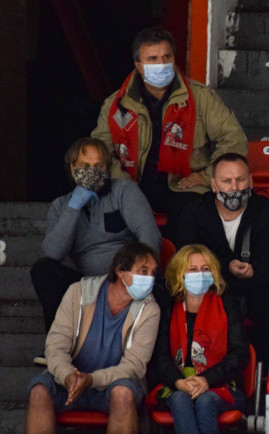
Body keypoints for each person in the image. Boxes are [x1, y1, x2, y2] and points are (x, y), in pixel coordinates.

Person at [91, 27, 247, 240]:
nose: (161, 64)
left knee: (192, 214)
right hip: (133, 184)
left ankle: (173, 268)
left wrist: (207, 175)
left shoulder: (201, 98)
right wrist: (122, 183)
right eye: (152, 59)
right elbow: (99, 150)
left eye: (166, 57)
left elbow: (233, 139)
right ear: (138, 65)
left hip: (183, 187)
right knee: (103, 208)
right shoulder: (116, 104)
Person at [30, 138, 161, 340]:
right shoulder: (60, 205)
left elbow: (150, 235)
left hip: (125, 279)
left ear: (107, 168)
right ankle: (59, 344)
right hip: (86, 286)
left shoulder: (123, 190)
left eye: (98, 166)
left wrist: (137, 275)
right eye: (84, 166)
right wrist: (74, 206)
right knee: (43, 270)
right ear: (72, 168)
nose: (92, 172)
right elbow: (52, 253)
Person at [26, 242, 160, 434]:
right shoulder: (78, 293)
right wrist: (67, 376)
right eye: (143, 271)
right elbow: (56, 345)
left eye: (153, 273)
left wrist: (91, 380)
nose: (149, 279)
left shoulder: (150, 310)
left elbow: (134, 365)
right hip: (70, 382)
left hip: (112, 385)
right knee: (39, 390)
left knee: (123, 394)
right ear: (121, 271)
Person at [177, 153, 269, 361]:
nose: (234, 187)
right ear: (214, 185)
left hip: (254, 288)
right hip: (209, 286)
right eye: (227, 181)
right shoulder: (195, 212)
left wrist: (251, 272)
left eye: (241, 180)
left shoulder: (268, 214)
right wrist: (226, 268)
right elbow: (185, 257)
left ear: (251, 181)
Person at [150, 244, 249, 434]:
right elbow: (160, 357)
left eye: (205, 269)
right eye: (193, 270)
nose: (200, 275)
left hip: (221, 384)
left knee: (205, 400)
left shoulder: (227, 303)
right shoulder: (168, 306)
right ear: (179, 274)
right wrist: (179, 383)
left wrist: (206, 380)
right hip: (176, 384)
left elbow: (240, 353)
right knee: (180, 398)